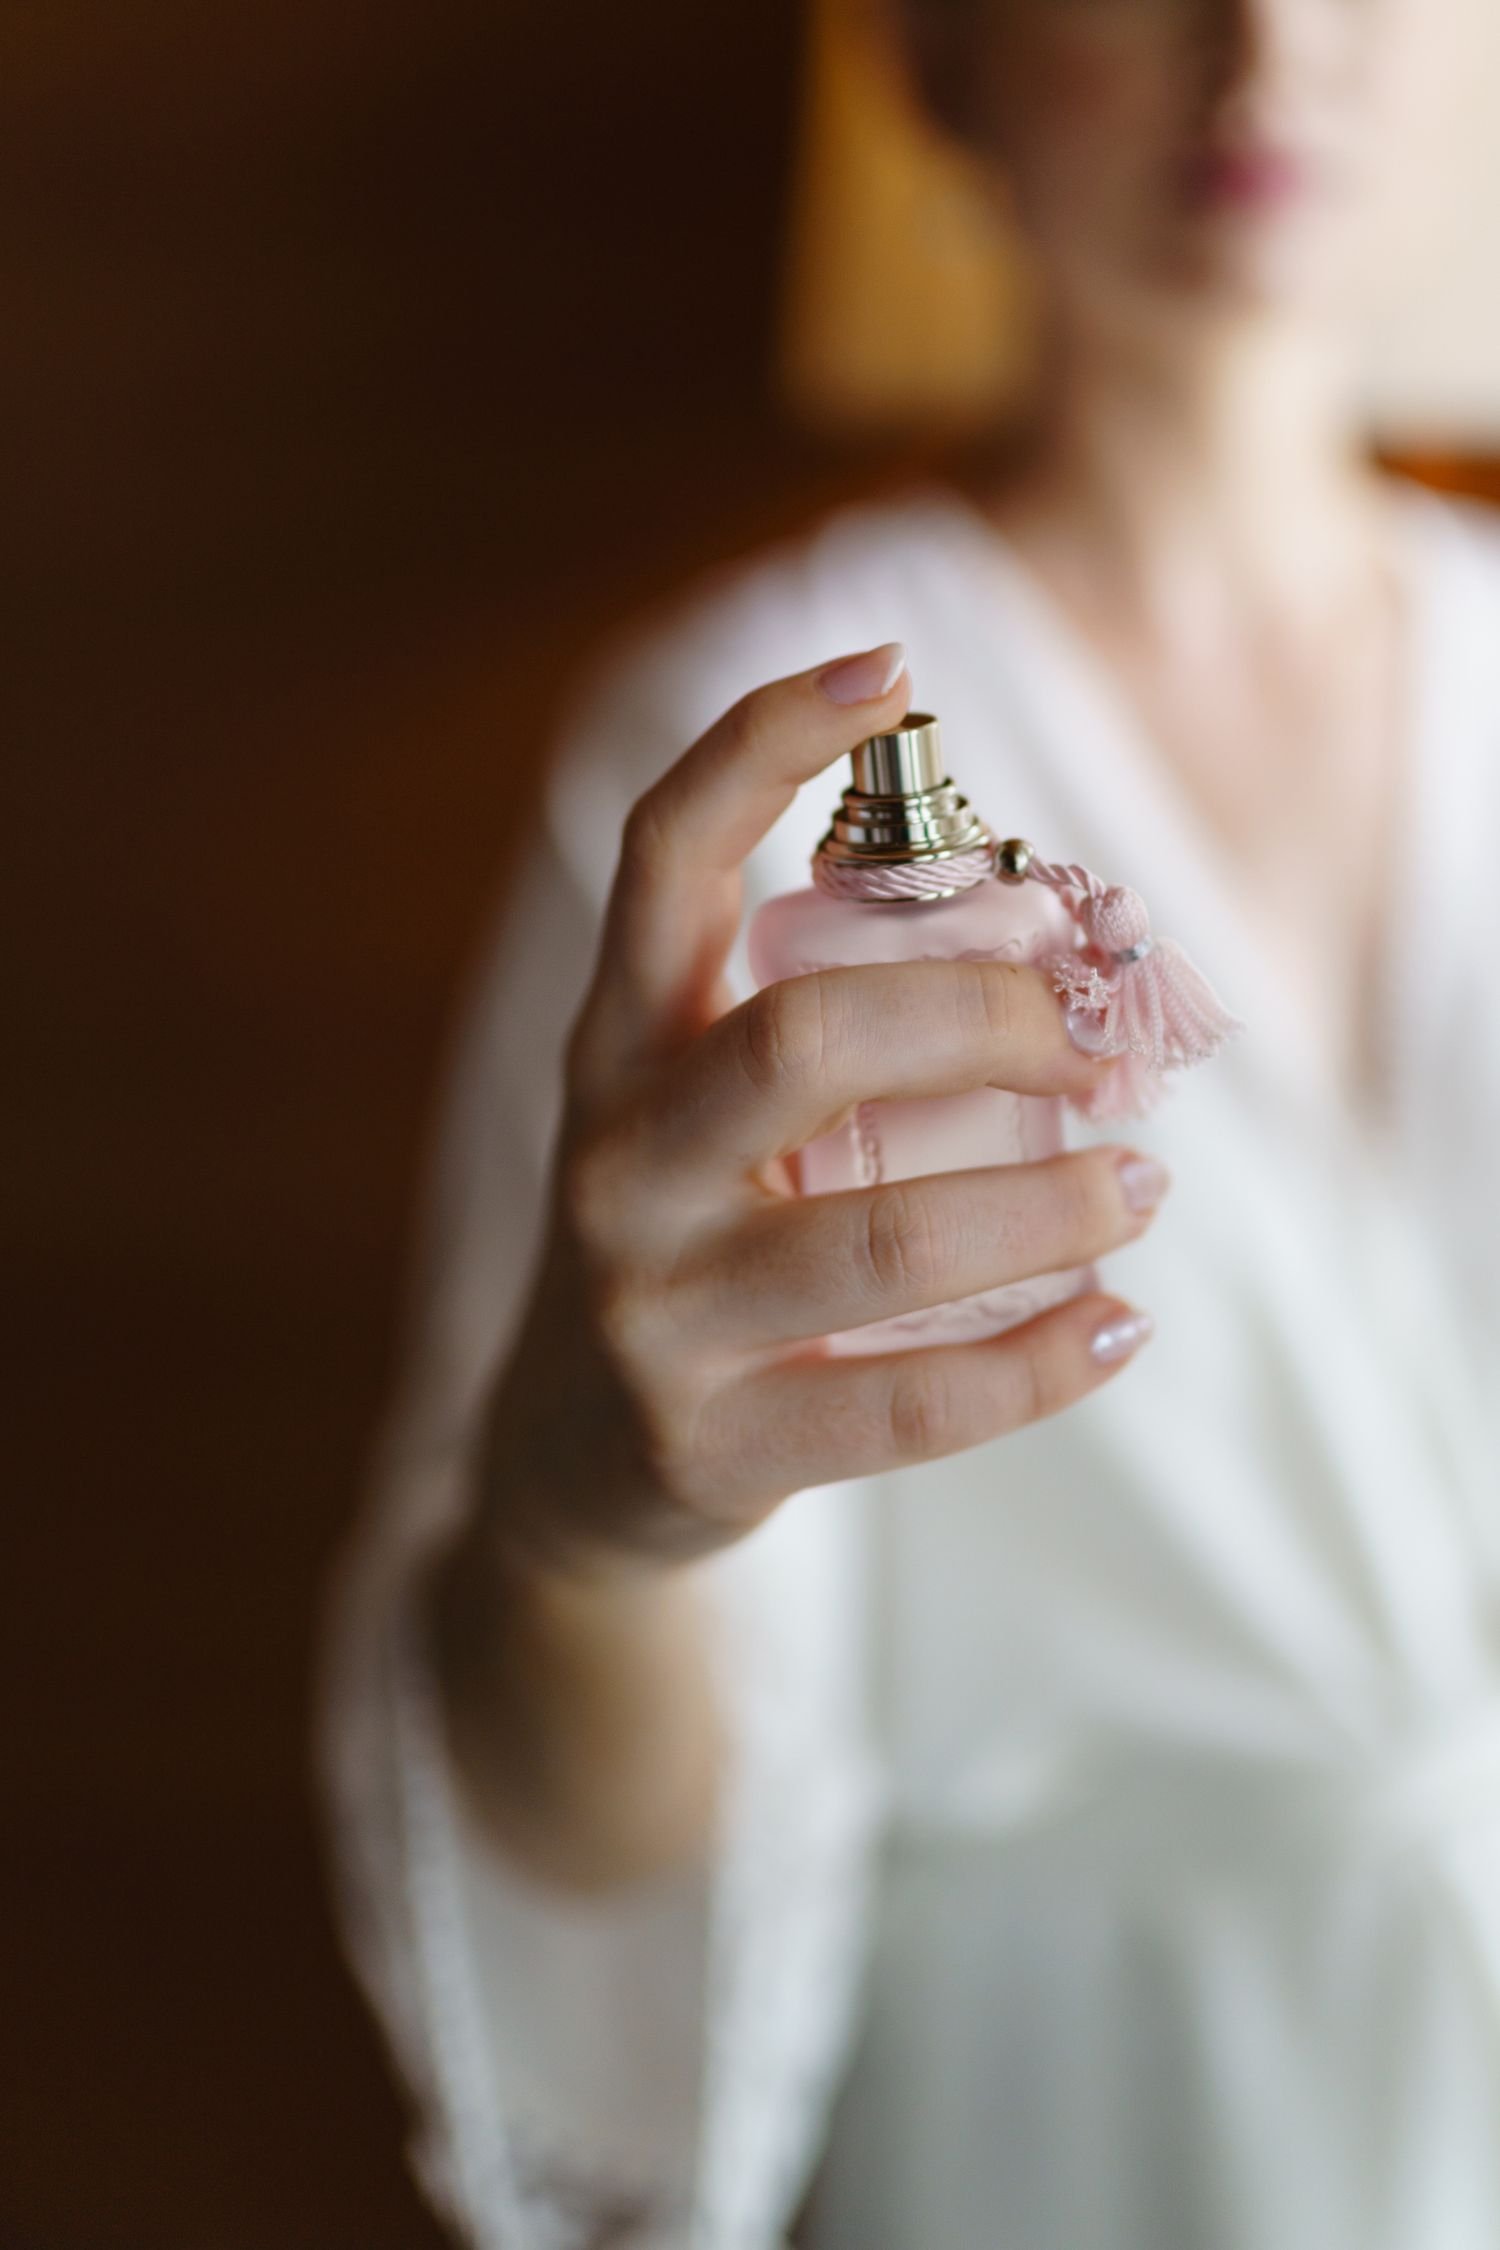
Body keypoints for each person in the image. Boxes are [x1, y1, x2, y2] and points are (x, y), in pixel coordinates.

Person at [314, 1, 1500, 2244]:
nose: (1267, 51)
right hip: (1075, 2147)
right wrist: (580, 1533)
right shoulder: (744, 766)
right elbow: (614, 1827)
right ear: (932, 55)